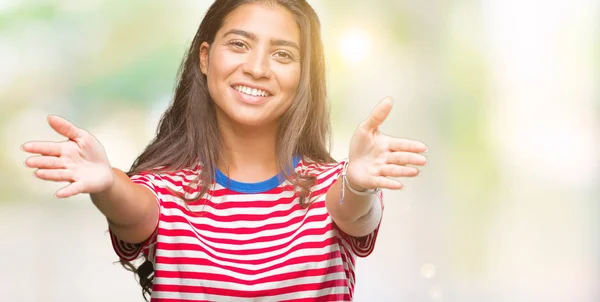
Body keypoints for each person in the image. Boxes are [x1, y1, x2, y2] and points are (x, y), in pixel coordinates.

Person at [21, 0, 428, 301]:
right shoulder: (167, 192)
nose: (257, 67)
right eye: (239, 44)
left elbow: (355, 212)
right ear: (205, 57)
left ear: (304, 76)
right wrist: (106, 183)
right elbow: (134, 210)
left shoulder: (332, 187)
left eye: (283, 54)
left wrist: (358, 186)